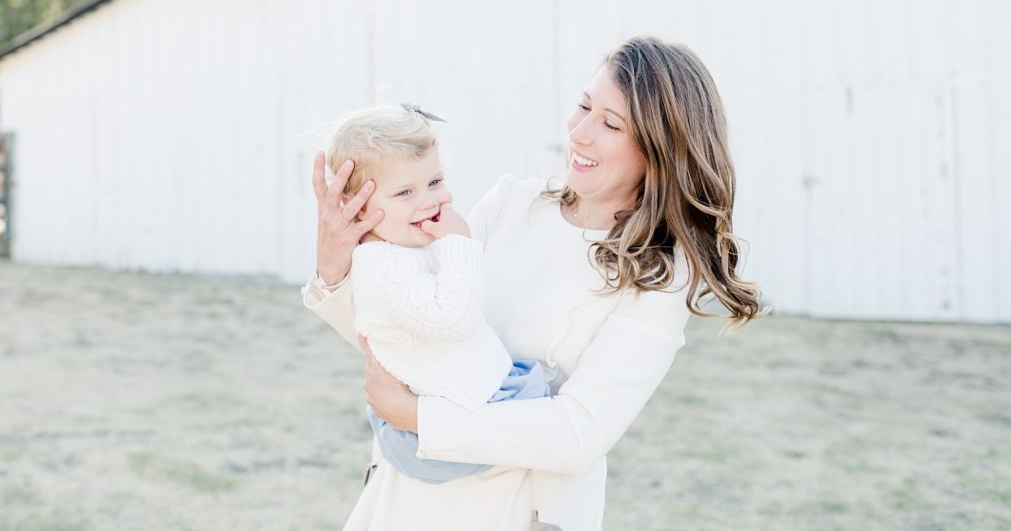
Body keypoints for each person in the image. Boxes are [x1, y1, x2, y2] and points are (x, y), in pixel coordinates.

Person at [302, 37, 766, 530]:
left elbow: (577, 434)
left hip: (518, 512)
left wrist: (418, 417)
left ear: (660, 149)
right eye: (584, 106)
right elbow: (404, 333)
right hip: (407, 500)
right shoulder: (512, 204)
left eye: (610, 124)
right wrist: (334, 263)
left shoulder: (658, 277)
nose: (580, 133)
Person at [316, 103, 551, 485]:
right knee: (538, 410)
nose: (428, 201)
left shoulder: (406, 246)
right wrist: (459, 242)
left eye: (435, 182)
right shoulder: (381, 266)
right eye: (405, 192)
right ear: (358, 209)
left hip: (452, 403)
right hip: (436, 426)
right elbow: (452, 321)